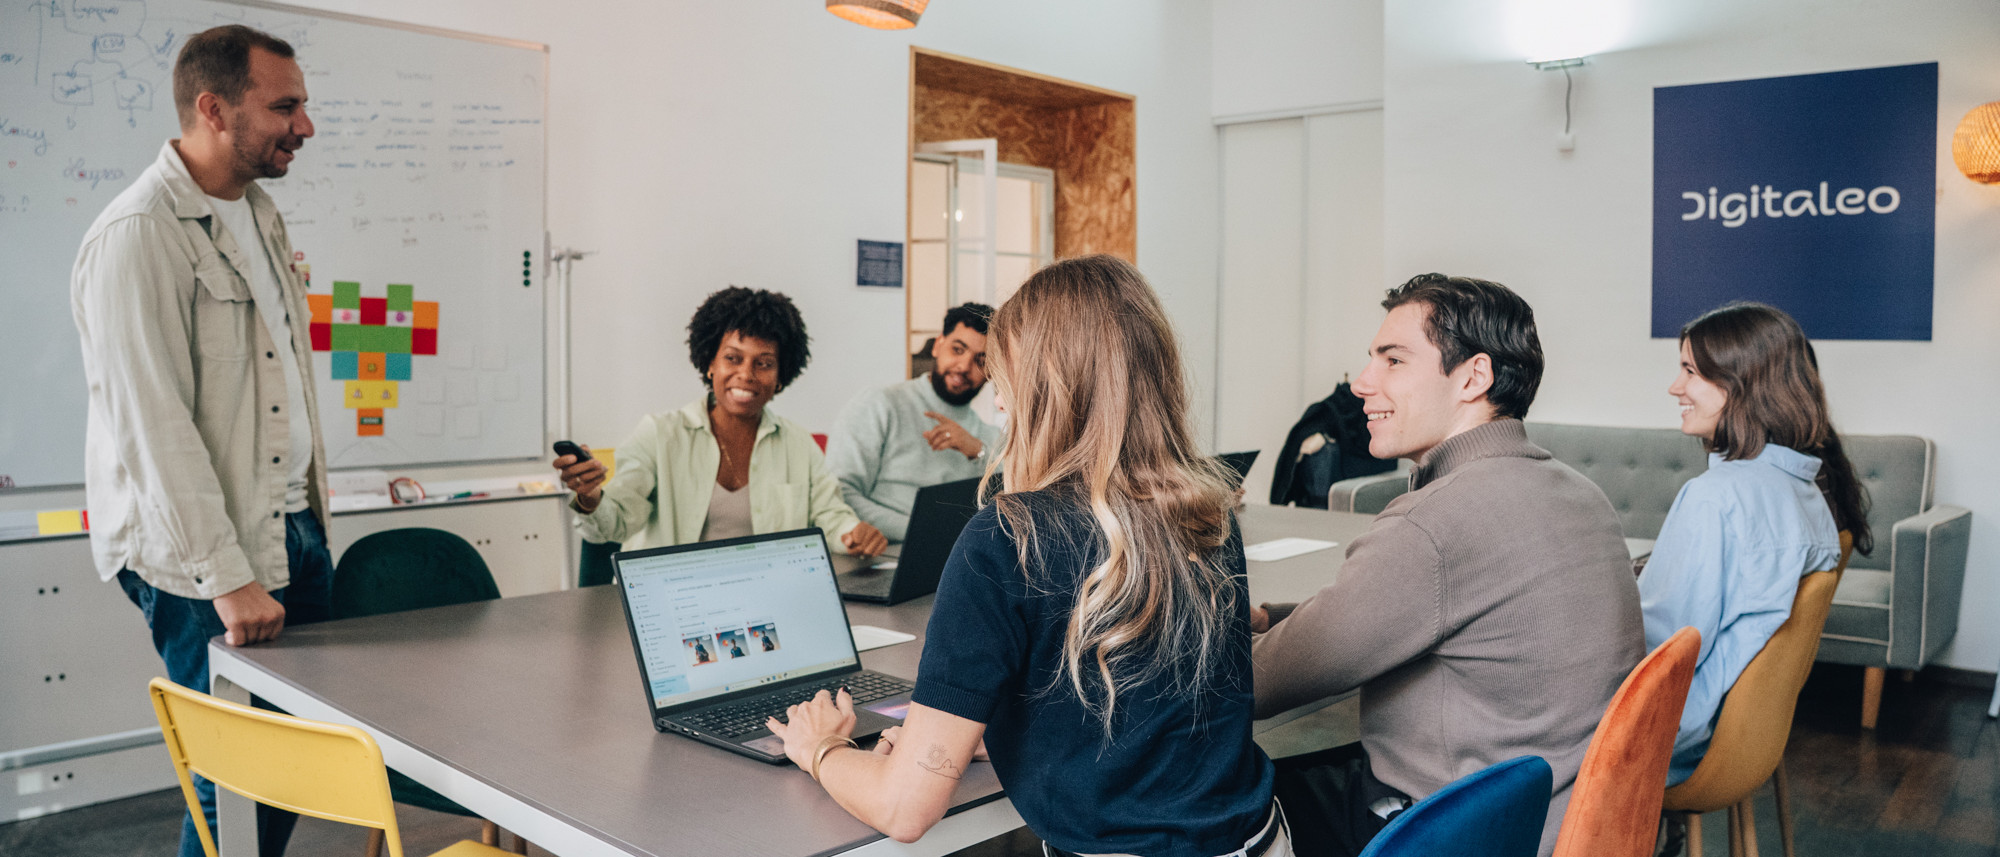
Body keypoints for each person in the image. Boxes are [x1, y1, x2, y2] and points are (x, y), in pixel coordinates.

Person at [768, 255, 1287, 857]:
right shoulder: (1206, 514)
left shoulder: (1007, 540)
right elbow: (1146, 710)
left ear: (1044, 390)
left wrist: (821, 748)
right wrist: (979, 734)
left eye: (1004, 379)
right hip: (1262, 839)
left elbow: (903, 808)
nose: (997, 403)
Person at [1249, 274, 1643, 857]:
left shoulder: (1433, 523)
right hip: (1573, 823)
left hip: (1456, 835)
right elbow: (1411, 612)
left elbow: (1257, 685)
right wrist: (1275, 618)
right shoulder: (1582, 495)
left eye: (1393, 360)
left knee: (1214, 794)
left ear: (1473, 377)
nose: (1362, 383)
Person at [70, 25, 327, 857]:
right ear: (214, 109)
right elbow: (152, 428)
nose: (304, 126)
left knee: (287, 772)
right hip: (207, 560)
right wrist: (228, 577)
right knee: (234, 783)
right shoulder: (139, 232)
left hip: (288, 530)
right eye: (284, 106)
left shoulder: (259, 212)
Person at [1642, 302, 1868, 788]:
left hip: (1670, 739)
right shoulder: (1809, 491)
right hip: (1739, 738)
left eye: (1690, 371)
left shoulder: (1715, 497)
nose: (1675, 387)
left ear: (1741, 383)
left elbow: (1659, 650)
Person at [554, 286, 885, 556]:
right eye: (733, 358)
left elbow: (830, 515)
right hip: (673, 600)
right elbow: (616, 523)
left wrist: (852, 533)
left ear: (780, 376)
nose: (746, 374)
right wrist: (590, 496)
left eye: (764, 363)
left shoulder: (798, 444)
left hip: (762, 600)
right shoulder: (659, 434)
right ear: (710, 363)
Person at [826, 302, 1003, 541]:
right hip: (883, 552)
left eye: (981, 361)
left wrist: (977, 451)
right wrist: (922, 531)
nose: (964, 366)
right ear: (938, 345)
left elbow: (1011, 504)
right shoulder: (880, 404)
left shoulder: (989, 438)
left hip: (956, 554)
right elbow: (839, 494)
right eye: (957, 350)